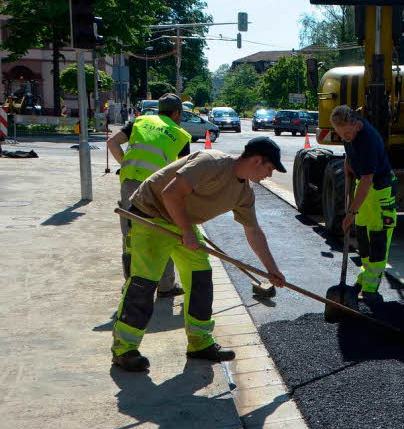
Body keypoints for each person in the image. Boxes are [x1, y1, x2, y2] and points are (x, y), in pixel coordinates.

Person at [110, 138, 287, 372]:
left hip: (182, 221)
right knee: (145, 281)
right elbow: (170, 193)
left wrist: (272, 269)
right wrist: (187, 232)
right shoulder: (211, 162)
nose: (269, 175)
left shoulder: (244, 192)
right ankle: (124, 349)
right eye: (269, 168)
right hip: (152, 213)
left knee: (200, 276)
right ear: (256, 160)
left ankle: (199, 342)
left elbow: (253, 231)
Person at [108, 93, 191, 297]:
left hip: (130, 183)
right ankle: (166, 286)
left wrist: (126, 165)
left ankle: (131, 284)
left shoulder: (140, 121)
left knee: (131, 234)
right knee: (164, 232)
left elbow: (112, 142)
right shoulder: (180, 134)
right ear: (177, 112)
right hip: (158, 189)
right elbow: (184, 171)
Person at [330, 105, 396, 305]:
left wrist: (351, 212)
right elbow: (349, 156)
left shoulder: (367, 140)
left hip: (380, 190)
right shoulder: (348, 135)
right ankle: (363, 279)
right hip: (364, 185)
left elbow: (368, 179)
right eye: (340, 134)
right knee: (363, 234)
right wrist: (348, 165)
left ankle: (371, 291)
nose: (345, 137)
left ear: (355, 125)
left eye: (347, 133)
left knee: (378, 239)